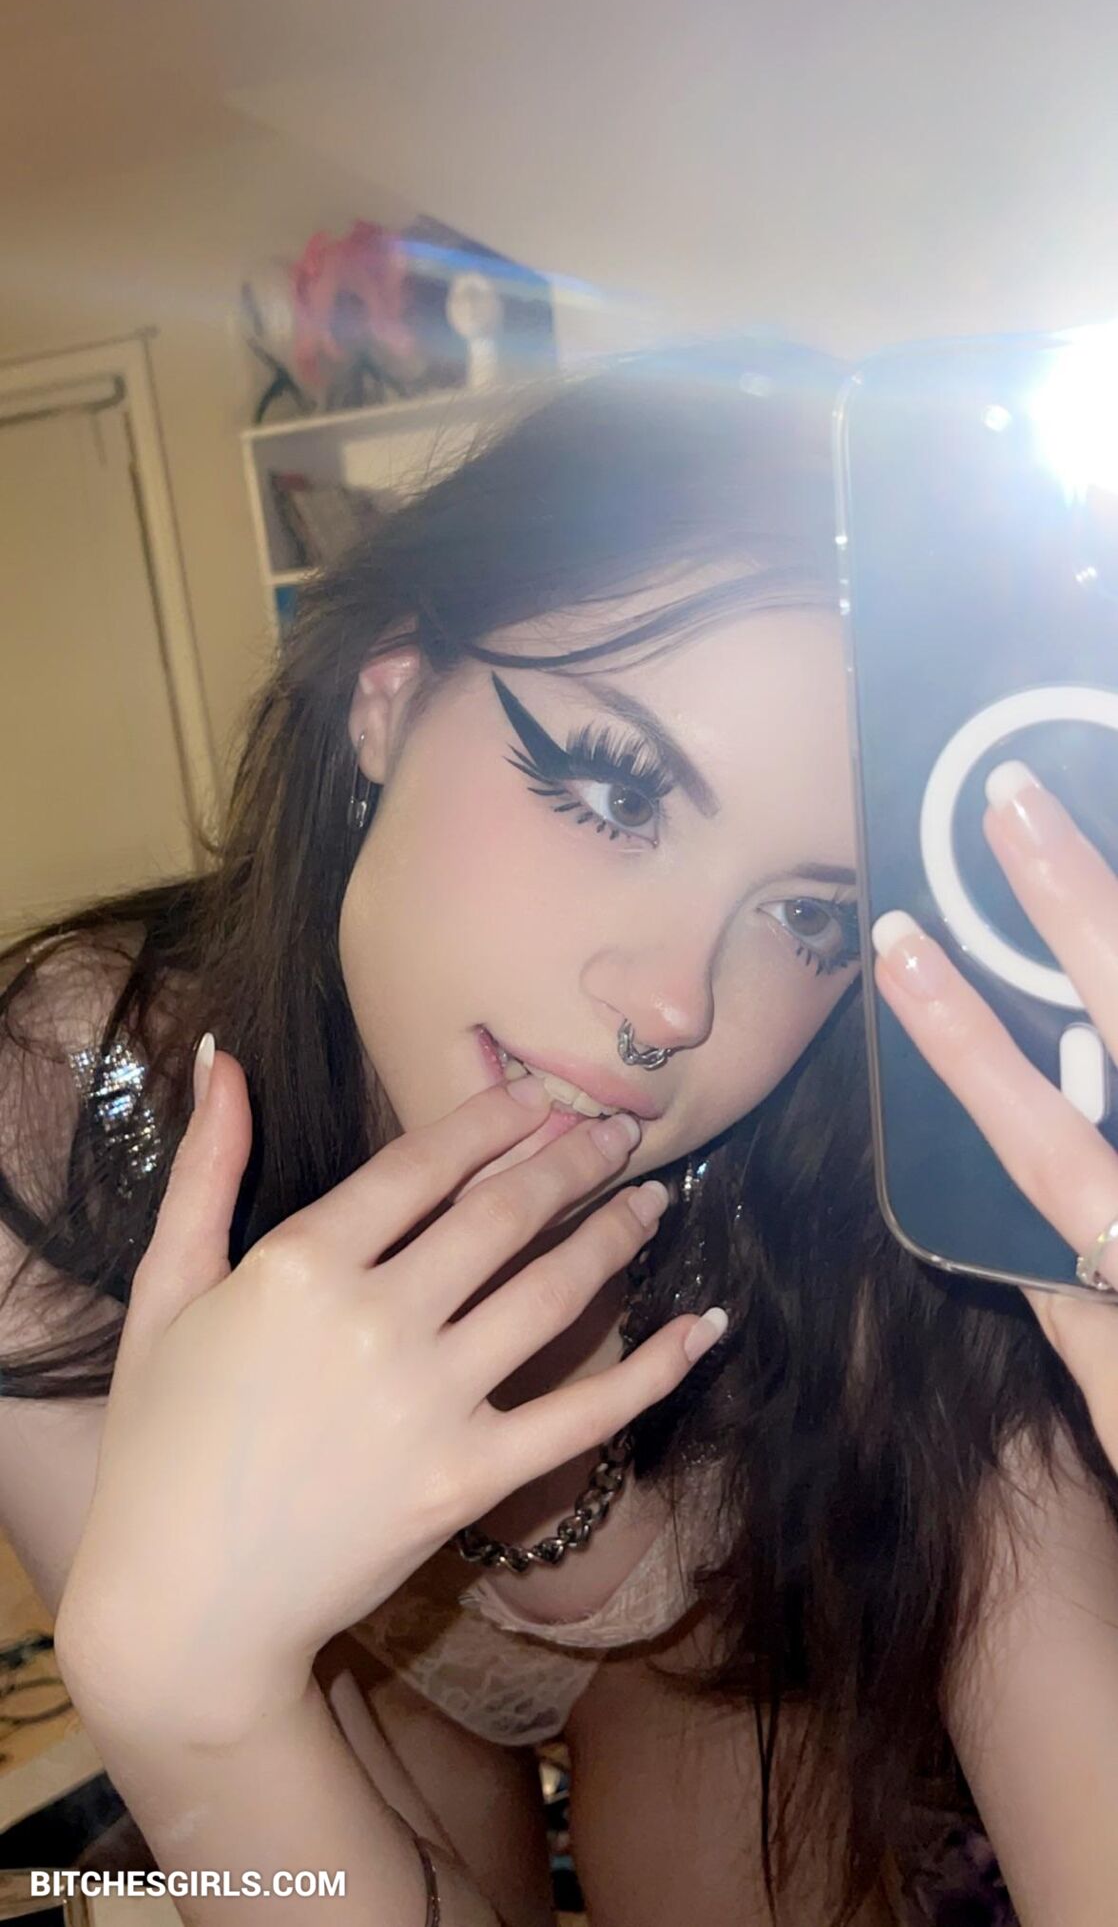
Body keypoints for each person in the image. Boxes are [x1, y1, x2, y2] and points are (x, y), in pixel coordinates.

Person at [1, 343, 1116, 1927]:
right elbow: (243, 1806)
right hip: (351, 1641)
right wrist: (187, 1706)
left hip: (690, 1646)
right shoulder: (64, 1105)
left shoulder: (877, 1167)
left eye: (809, 913)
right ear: (389, 696)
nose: (671, 1005)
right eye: (609, 791)